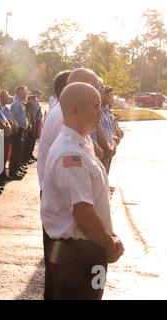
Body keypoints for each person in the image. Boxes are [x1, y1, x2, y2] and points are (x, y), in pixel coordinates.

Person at [41, 82, 124, 299]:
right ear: (75, 110)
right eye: (95, 106)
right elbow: (83, 215)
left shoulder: (82, 143)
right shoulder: (70, 154)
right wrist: (110, 243)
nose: (100, 112)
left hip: (90, 249)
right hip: (79, 255)